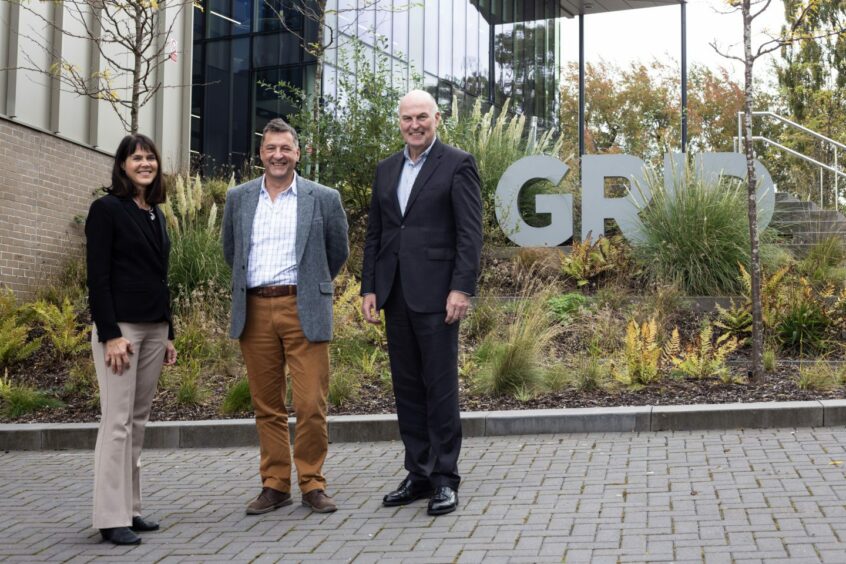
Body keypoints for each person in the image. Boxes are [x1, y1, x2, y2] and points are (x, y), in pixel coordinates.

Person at [361, 89, 483, 516]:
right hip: (395, 293)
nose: (415, 125)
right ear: (399, 121)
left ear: (436, 119)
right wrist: (369, 288)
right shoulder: (386, 168)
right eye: (407, 118)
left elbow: (470, 234)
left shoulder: (458, 163)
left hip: (437, 295)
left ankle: (445, 477)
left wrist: (461, 288)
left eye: (422, 117)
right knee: (407, 388)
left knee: (440, 386)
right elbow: (376, 234)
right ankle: (418, 473)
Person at [222, 118, 349, 515]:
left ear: (298, 152)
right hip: (255, 310)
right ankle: (275, 484)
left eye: (285, 148)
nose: (278, 155)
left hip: (304, 306)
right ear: (261, 154)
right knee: (267, 405)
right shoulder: (239, 198)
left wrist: (312, 285)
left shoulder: (323, 198)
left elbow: (337, 250)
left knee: (311, 402)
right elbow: (231, 251)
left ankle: (312, 482)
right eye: (270, 148)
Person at [86, 133, 178, 545]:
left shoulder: (155, 213)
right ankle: (109, 516)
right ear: (122, 164)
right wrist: (109, 335)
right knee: (117, 422)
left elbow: (160, 278)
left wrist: (169, 331)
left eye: (150, 158)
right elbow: (98, 277)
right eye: (137, 157)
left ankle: (131, 507)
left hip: (155, 328)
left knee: (137, 423)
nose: (145, 163)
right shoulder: (106, 210)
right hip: (121, 331)